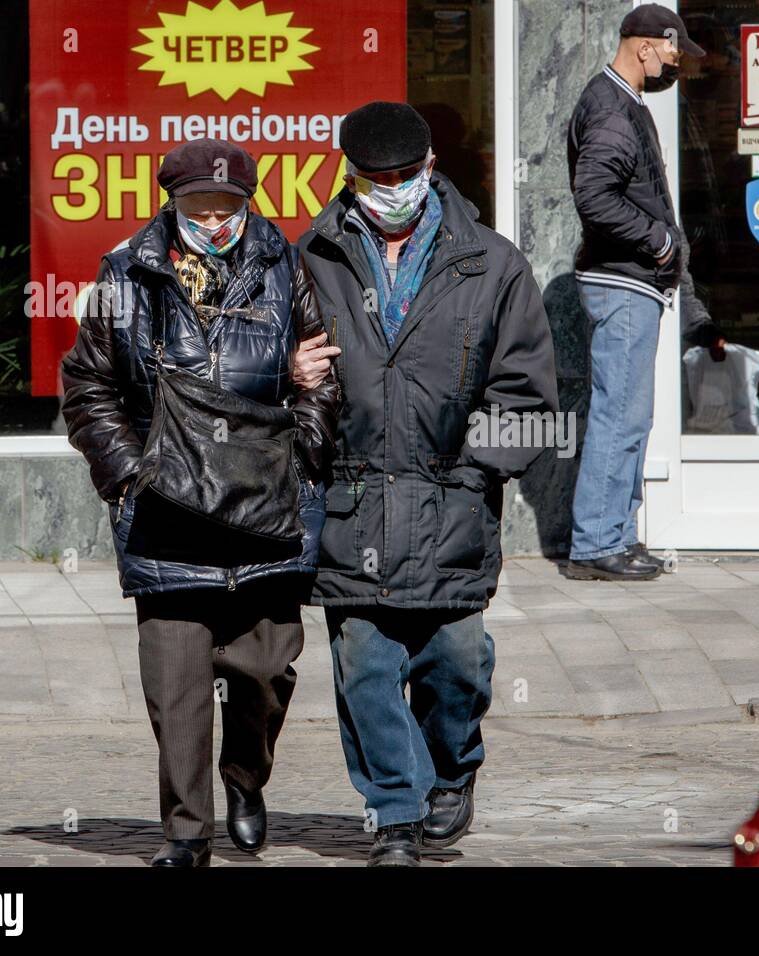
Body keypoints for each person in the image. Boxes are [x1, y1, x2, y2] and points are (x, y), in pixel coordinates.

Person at [61, 138, 339, 867]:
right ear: (172, 204)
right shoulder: (127, 275)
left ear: (249, 205)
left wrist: (298, 452)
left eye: (228, 208)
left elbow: (322, 375)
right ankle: (187, 832)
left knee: (266, 667)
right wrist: (131, 475)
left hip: (262, 507)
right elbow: (88, 389)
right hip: (169, 514)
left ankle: (245, 779)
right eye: (198, 207)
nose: (214, 220)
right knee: (177, 686)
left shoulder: (284, 266)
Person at [292, 101, 558, 866]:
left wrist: (474, 467)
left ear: (431, 167)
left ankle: (452, 774)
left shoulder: (492, 262)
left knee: (456, 663)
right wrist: (291, 379)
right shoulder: (311, 257)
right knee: (367, 667)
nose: (394, 190)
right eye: (377, 180)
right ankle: (395, 817)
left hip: (453, 508)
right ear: (350, 178)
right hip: (353, 504)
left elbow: (529, 396)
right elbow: (273, 369)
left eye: (407, 176)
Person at [564, 2, 706, 582]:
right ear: (646, 45)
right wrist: (661, 244)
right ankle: (597, 544)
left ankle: (615, 536)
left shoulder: (622, 102)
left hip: (629, 280)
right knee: (620, 415)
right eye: (674, 52)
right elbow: (594, 197)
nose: (677, 65)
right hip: (622, 281)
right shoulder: (611, 109)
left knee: (631, 415)